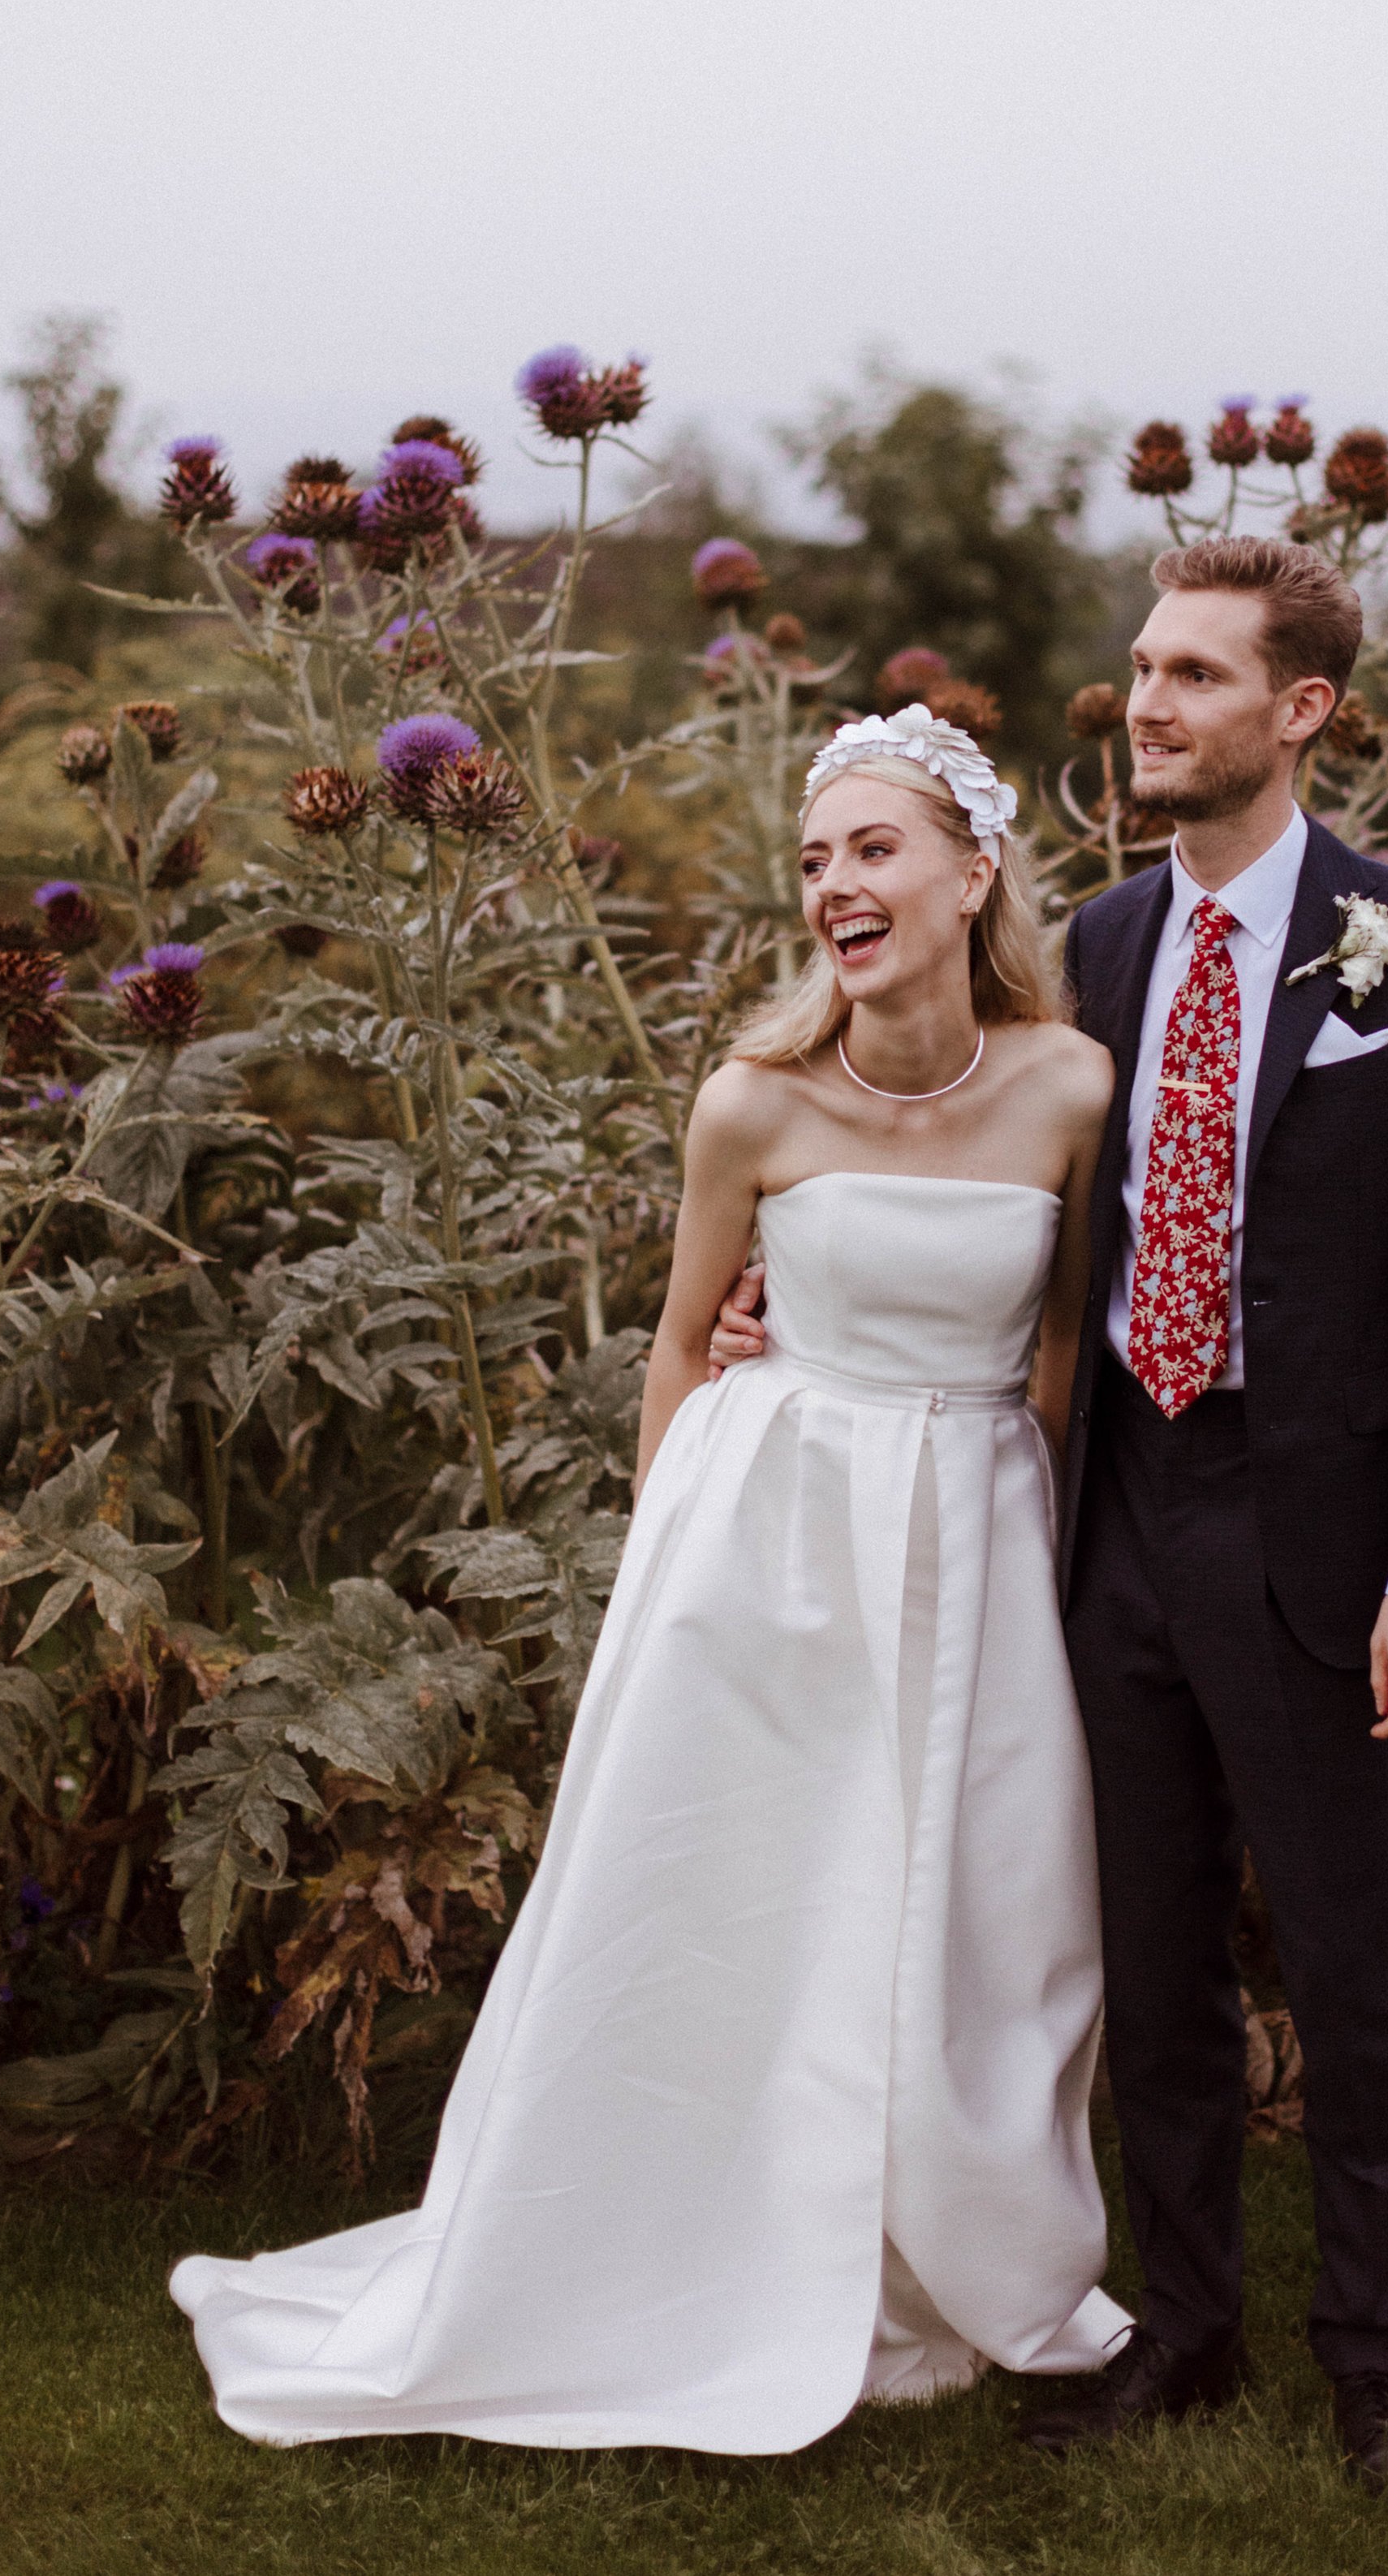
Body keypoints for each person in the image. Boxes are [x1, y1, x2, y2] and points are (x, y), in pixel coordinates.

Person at [171, 703, 1130, 2453]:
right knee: (759, 1889)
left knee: (990, 1900)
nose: (835, 880)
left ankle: (958, 2263)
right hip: (769, 1542)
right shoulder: (750, 1102)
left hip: (980, 1526)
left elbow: (1060, 1352)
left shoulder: (1070, 1084)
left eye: (872, 846)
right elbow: (684, 1352)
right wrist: (657, 1609)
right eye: (816, 855)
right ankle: (692, 2248)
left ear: (970, 870)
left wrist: (1045, 1562)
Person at [713, 532, 1388, 2492]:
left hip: (1317, 1535)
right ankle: (1187, 2319)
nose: (1146, 701)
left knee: (1341, 1963)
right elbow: (954, 1149)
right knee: (1141, 1958)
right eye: (1142, 665)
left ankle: (1373, 2364)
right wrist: (782, 1285)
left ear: (1298, 710)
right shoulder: (1092, 946)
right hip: (1108, 1515)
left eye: (1194, 675)